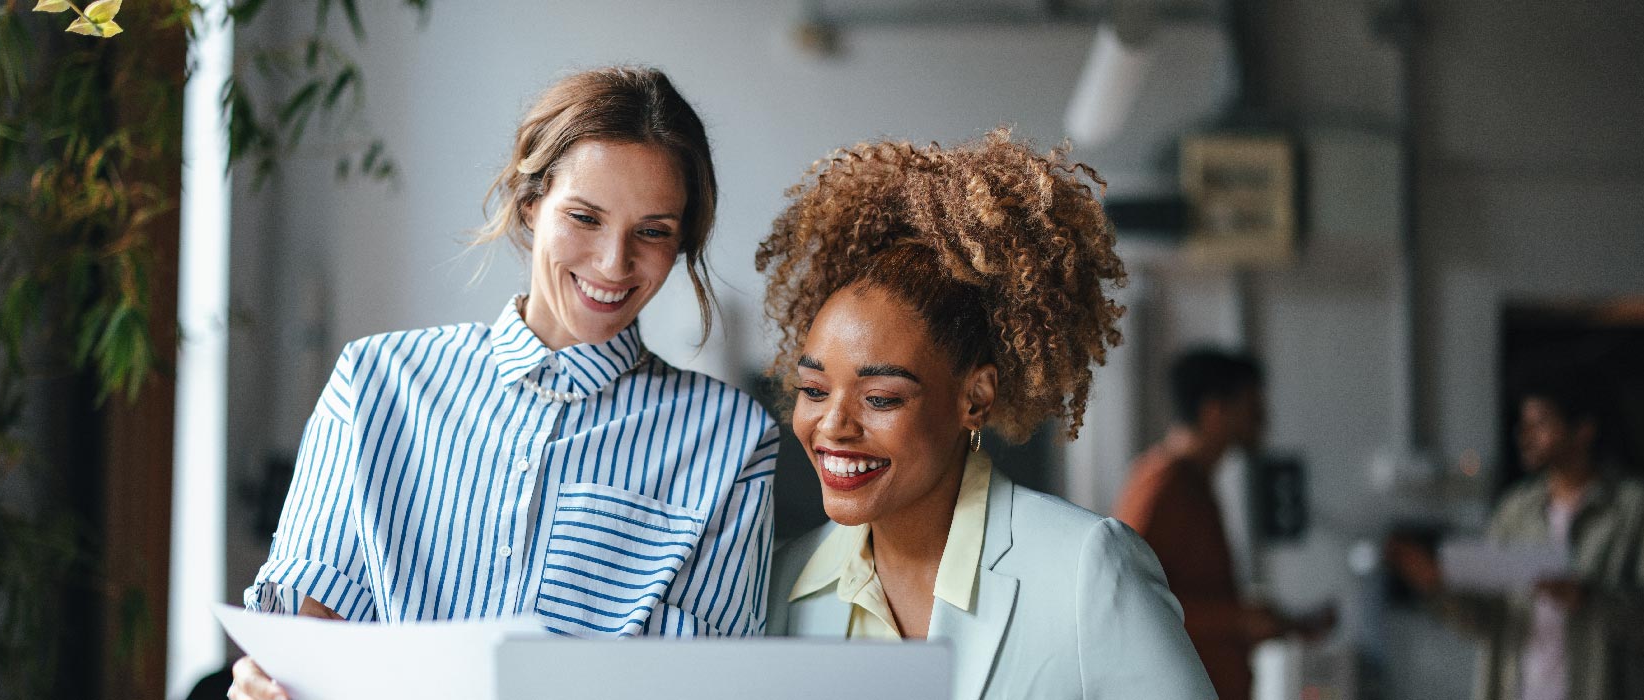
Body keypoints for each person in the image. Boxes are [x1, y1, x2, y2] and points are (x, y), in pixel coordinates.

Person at [229, 67, 779, 700]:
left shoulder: (732, 440)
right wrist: (264, 681)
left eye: (652, 231)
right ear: (529, 205)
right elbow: (301, 628)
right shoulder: (375, 381)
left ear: (681, 242)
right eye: (584, 217)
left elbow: (701, 683)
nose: (613, 262)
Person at [758, 130, 1214, 699]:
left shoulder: (1084, 570)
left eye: (880, 398)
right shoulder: (779, 586)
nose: (832, 426)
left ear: (974, 397)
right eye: (814, 390)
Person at [1389, 374, 1644, 700]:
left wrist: (1585, 598)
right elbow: (1488, 620)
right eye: (1524, 423)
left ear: (1583, 430)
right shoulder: (1515, 511)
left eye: (1541, 423)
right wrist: (1435, 585)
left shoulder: (1634, 509)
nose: (1525, 435)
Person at [1114, 348, 1331, 700]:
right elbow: (1128, 601)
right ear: (1213, 411)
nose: (1263, 417)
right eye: (1251, 405)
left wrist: (1271, 622)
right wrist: (1237, 620)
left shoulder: (1196, 483)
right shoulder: (1163, 485)